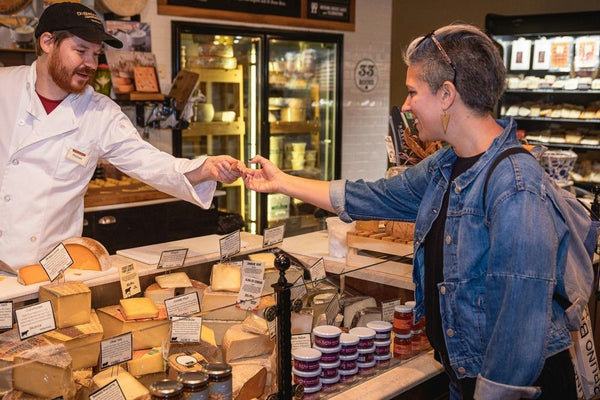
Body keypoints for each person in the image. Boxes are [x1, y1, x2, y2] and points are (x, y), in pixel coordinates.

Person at [243, 24, 576, 400]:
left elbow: (520, 321)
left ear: (447, 94)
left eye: (413, 91)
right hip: (466, 378)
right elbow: (372, 197)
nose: (405, 105)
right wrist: (282, 181)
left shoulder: (514, 184)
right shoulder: (446, 165)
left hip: (514, 389)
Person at [0, 2, 242, 272]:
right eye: (80, 51)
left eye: (95, 54)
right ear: (47, 42)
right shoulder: (4, 87)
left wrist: (203, 169)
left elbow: (147, 161)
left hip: (53, 269)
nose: (90, 64)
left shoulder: (100, 111)